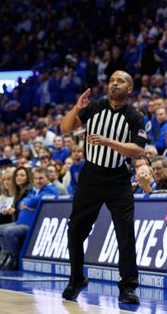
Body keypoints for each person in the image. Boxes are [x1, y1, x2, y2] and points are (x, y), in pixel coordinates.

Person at [60, 74, 146, 305]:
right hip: (91, 176)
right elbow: (66, 128)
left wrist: (110, 143)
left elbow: (138, 151)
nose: (114, 83)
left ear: (130, 88)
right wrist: (76, 108)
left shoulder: (135, 116)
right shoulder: (95, 107)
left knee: (125, 232)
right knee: (75, 229)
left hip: (118, 178)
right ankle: (76, 278)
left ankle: (127, 286)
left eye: (120, 81)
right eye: (111, 80)